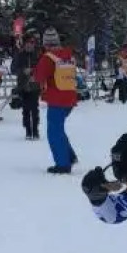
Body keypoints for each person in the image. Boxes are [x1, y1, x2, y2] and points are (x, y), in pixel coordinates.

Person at [34, 28, 78, 173]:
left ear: (45, 43)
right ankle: (69, 156)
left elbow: (39, 76)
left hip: (56, 98)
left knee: (54, 132)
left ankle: (63, 164)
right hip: (70, 96)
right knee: (58, 128)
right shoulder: (68, 55)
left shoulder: (48, 58)